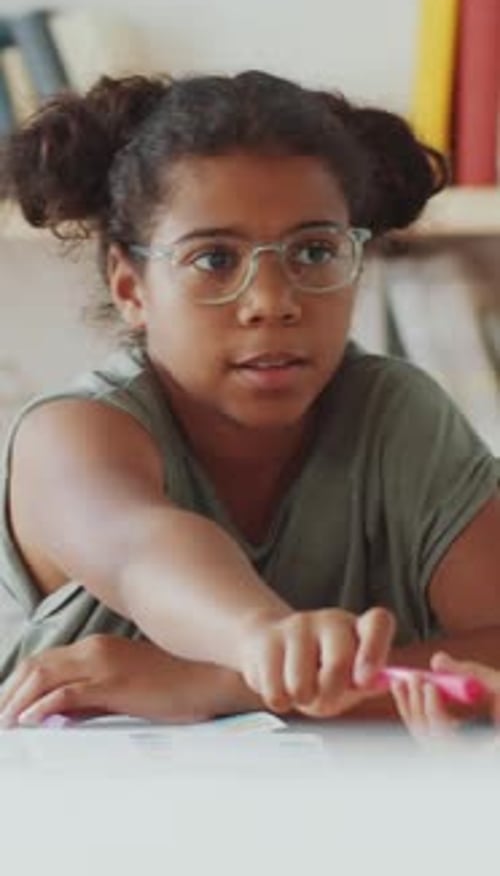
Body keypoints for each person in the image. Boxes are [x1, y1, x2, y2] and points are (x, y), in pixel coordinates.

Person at [0, 69, 498, 729]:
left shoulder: (396, 414)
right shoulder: (74, 435)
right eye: (214, 260)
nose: (274, 302)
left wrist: (228, 686)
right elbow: (142, 554)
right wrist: (263, 639)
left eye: (315, 251)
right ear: (130, 286)